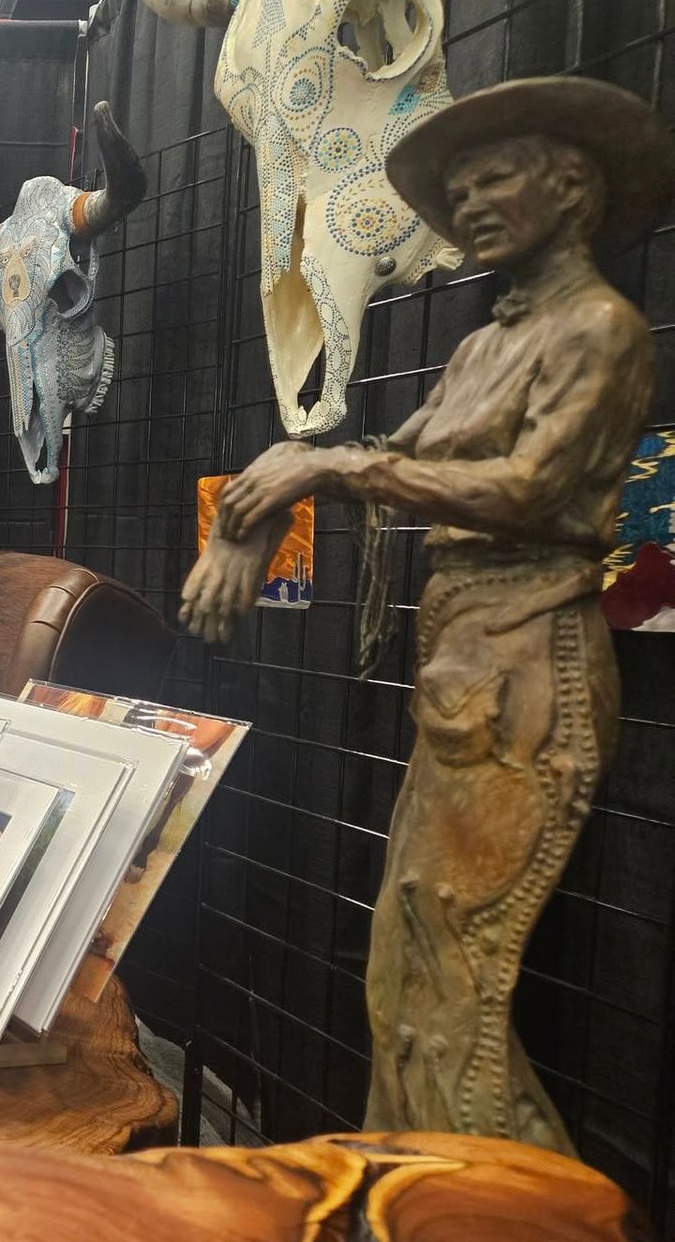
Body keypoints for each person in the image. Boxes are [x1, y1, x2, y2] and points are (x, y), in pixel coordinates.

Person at [180, 76, 675, 1153]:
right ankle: (420, 1213)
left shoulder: (600, 328)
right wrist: (262, 509)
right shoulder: (481, 346)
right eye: (457, 191)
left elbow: (533, 490)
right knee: (406, 974)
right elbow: (382, 457)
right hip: (465, 664)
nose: (472, 204)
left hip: (528, 657)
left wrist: (334, 471)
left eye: (496, 175)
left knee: (457, 982)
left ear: (574, 188)